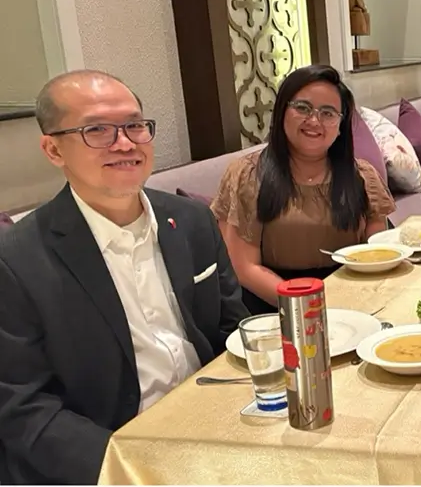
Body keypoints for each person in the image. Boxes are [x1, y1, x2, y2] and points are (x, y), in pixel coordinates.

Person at [0, 70, 249, 485]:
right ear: (53, 149)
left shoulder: (190, 221)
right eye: (96, 129)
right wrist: (133, 469)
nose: (125, 143)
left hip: (212, 425)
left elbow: (232, 330)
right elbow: (23, 407)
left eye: (135, 125)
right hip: (113, 453)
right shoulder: (16, 261)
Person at [212, 65, 395, 315]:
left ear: (341, 125)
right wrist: (310, 308)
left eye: (328, 113)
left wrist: (354, 306)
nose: (314, 121)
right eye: (303, 108)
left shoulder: (362, 176)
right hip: (273, 306)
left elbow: (377, 256)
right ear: (282, 112)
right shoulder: (248, 175)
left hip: (350, 300)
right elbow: (244, 268)